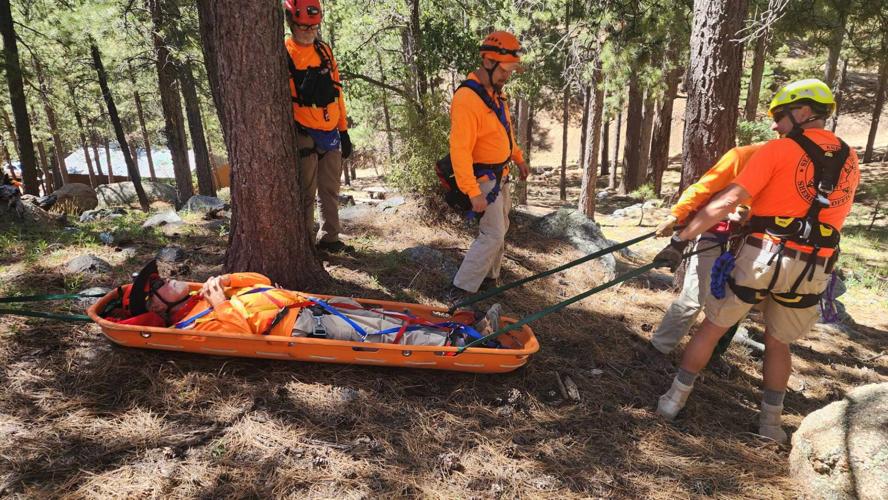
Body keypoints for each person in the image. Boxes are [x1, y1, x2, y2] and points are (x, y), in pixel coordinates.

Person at [654, 79, 860, 443]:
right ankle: (770, 426)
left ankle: (672, 402)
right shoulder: (849, 157)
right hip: (814, 266)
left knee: (713, 326)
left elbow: (725, 200)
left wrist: (680, 239)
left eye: (780, 116)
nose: (775, 125)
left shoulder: (778, 150)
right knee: (779, 343)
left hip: (764, 255)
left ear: (802, 112)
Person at [110, 260, 502, 348]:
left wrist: (227, 281)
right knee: (387, 334)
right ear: (158, 307)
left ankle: (461, 325)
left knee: (387, 315)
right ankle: (469, 344)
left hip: (309, 306)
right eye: (159, 285)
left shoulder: (206, 293)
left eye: (161, 276)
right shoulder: (191, 324)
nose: (167, 277)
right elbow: (235, 339)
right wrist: (220, 306)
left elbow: (262, 283)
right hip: (304, 327)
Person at [649, 144, 762, 355]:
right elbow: (704, 188)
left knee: (736, 304)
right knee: (694, 298)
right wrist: (676, 216)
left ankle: (712, 355)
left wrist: (749, 214)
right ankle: (657, 349)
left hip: (751, 242)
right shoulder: (743, 155)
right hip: (713, 232)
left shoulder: (788, 162)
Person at [445, 31, 530, 303]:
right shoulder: (468, 98)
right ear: (488, 62)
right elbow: (459, 150)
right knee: (492, 234)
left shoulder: (496, 94)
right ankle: (461, 290)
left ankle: (489, 279)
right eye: (505, 70)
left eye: (510, 70)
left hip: (500, 175)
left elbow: (505, 133)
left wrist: (518, 158)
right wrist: (472, 191)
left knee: (501, 228)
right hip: (483, 178)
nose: (508, 75)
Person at [283, 0, 353, 253]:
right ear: (291, 23)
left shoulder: (324, 50)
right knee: (305, 192)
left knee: (330, 190)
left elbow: (337, 92)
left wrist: (343, 130)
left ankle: (330, 238)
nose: (308, 31)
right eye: (302, 26)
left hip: (331, 131)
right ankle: (304, 244)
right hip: (304, 133)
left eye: (313, 27)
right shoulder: (284, 52)